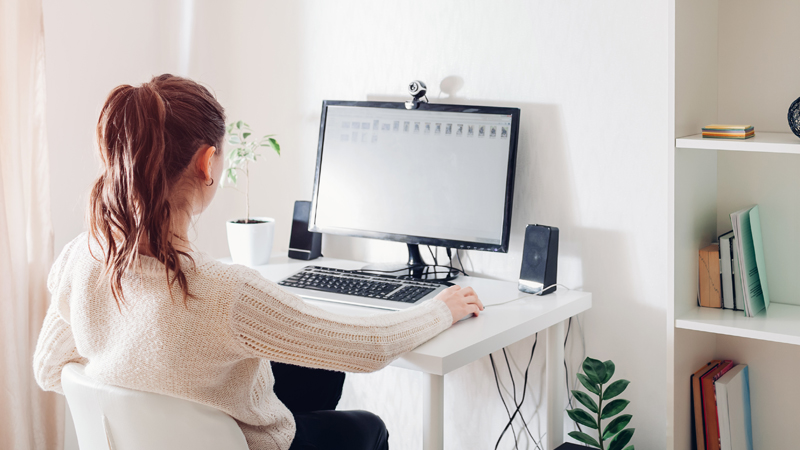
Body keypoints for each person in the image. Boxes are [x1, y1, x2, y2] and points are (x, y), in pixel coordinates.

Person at [33, 74, 483, 450]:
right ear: (207, 163)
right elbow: (368, 348)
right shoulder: (226, 292)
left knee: (319, 372)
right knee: (369, 426)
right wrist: (441, 309)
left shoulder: (83, 254)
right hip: (254, 445)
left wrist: (146, 394)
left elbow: (50, 369)